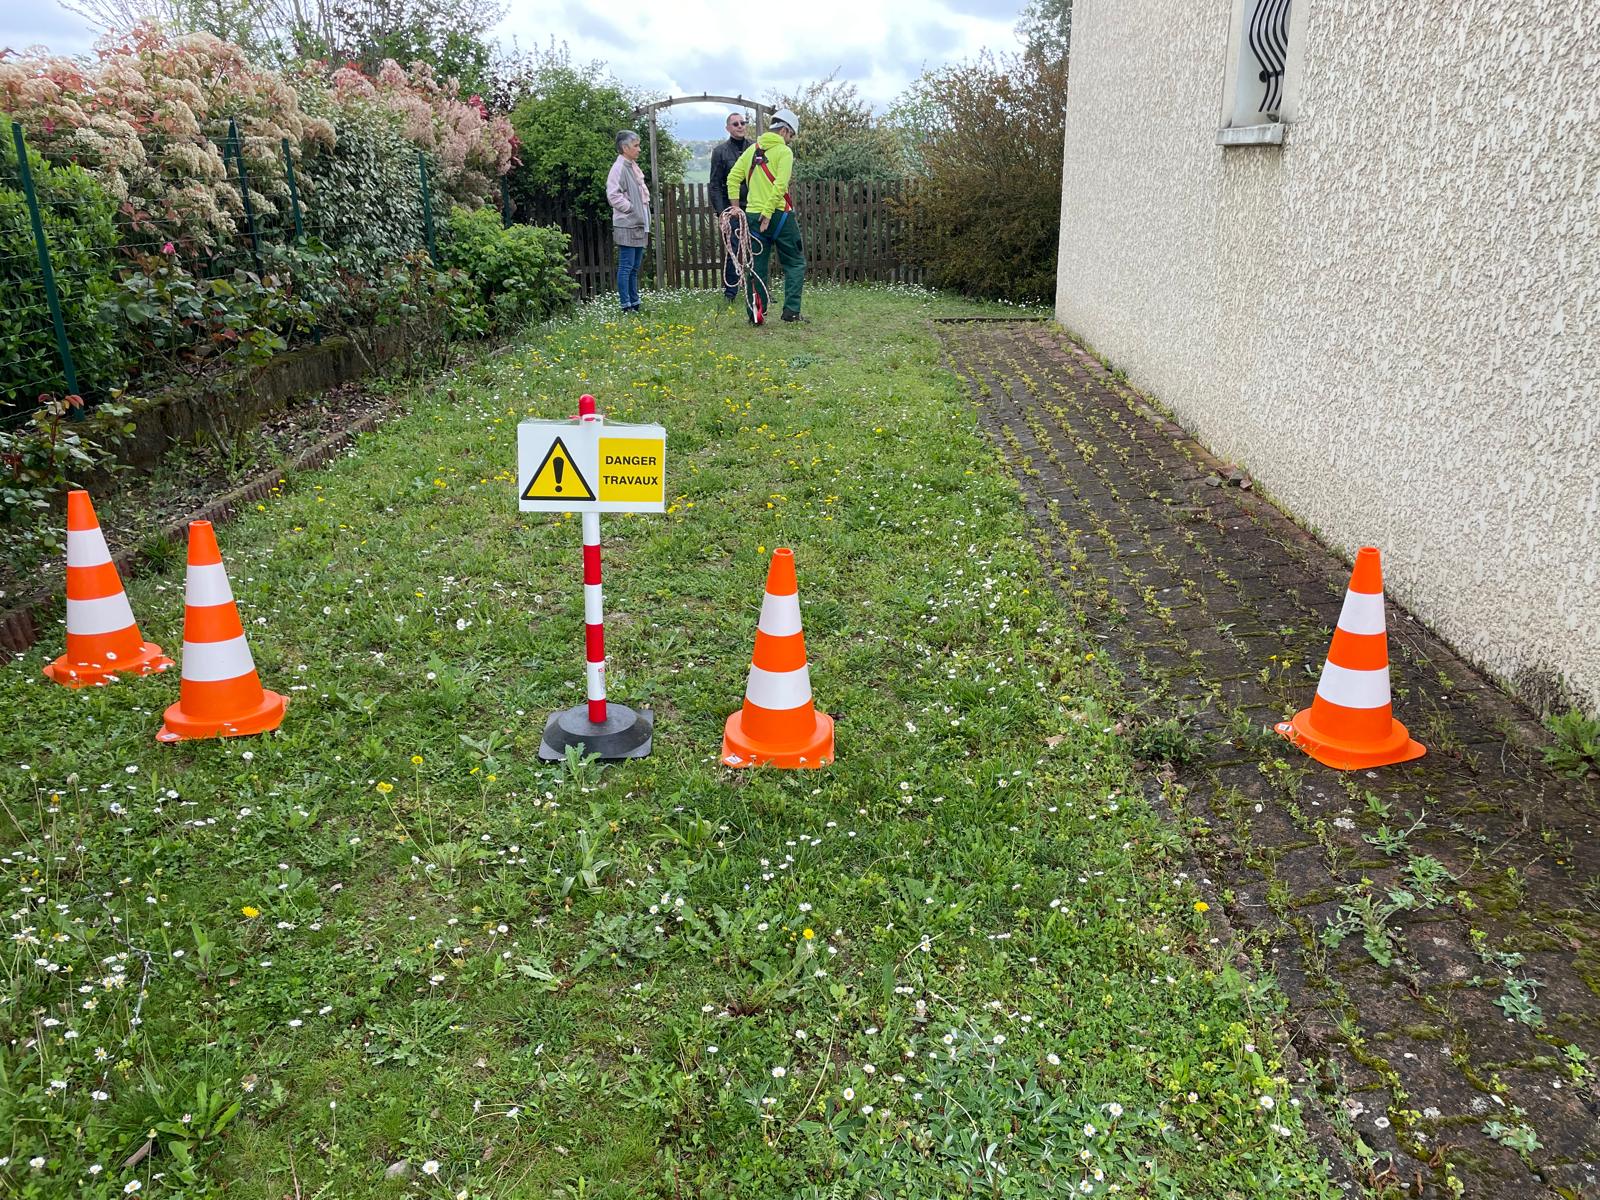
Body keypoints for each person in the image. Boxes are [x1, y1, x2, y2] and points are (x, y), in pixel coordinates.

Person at [727, 108, 806, 325]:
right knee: (795, 263)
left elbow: (732, 179)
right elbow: (780, 185)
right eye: (790, 136)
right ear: (784, 131)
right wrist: (769, 213)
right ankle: (791, 312)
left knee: (756, 267)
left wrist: (735, 208)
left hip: (752, 217)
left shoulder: (751, 151)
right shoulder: (784, 152)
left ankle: (755, 315)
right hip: (780, 217)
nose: (790, 140)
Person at [708, 111, 752, 301]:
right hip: (732, 209)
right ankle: (731, 292)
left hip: (754, 206)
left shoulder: (755, 148)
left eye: (743, 122)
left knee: (757, 248)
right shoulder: (720, 152)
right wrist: (722, 212)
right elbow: (715, 184)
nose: (740, 126)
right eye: (735, 124)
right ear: (728, 128)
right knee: (734, 249)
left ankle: (757, 289)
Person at [606, 129, 650, 314]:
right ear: (625, 148)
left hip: (638, 223)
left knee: (634, 267)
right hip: (628, 223)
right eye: (636, 146)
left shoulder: (632, 166)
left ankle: (634, 302)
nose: (639, 149)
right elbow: (613, 195)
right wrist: (631, 209)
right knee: (626, 266)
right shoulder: (619, 168)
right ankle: (626, 305)